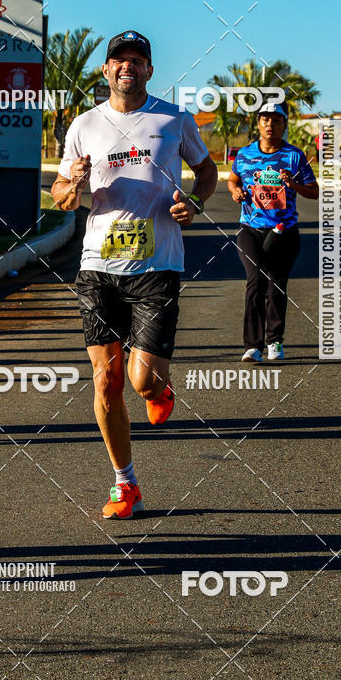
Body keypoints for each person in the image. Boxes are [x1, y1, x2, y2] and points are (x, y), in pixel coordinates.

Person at [52, 30, 217, 519]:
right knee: (106, 382)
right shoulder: (84, 125)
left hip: (157, 266)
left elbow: (205, 172)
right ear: (105, 71)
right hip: (97, 267)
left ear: (149, 70)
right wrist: (72, 185)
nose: (127, 66)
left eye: (137, 60)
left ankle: (160, 389)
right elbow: (61, 194)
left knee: (142, 383)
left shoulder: (173, 119)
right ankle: (125, 484)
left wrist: (196, 202)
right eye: (118, 60)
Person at [228, 102, 318, 363]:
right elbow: (233, 178)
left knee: (276, 283)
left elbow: (314, 191)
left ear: (284, 125)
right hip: (250, 229)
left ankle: (274, 341)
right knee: (255, 280)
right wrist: (235, 191)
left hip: (284, 231)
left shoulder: (294, 156)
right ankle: (252, 346)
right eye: (265, 120)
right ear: (258, 124)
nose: (270, 125)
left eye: (276, 120)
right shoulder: (244, 155)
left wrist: (294, 184)